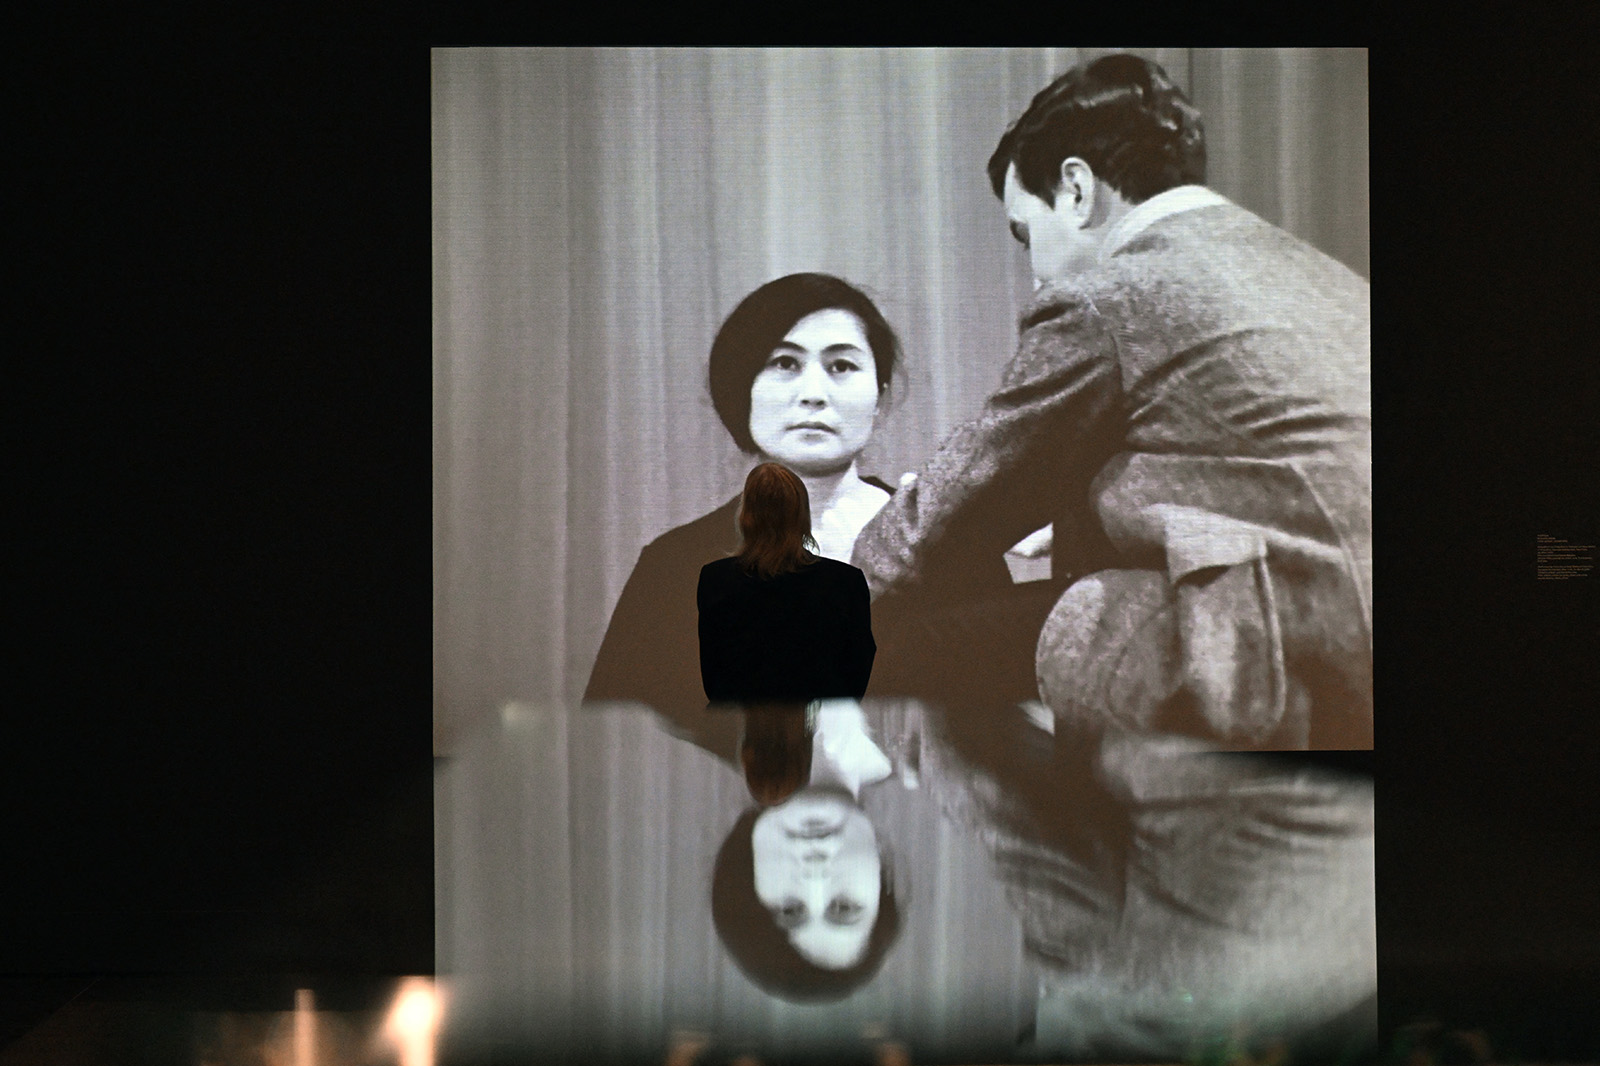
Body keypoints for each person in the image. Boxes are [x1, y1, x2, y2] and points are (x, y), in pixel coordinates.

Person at [851, 54, 1372, 749]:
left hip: (1275, 656)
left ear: (1075, 189)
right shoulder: (1320, 275)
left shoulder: (1113, 292)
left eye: (1025, 233)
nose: (1035, 271)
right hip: (1351, 634)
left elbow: (967, 494)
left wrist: (827, 593)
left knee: (896, 644)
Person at [588, 273, 1011, 719]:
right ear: (742, 390)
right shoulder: (674, 565)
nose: (813, 395)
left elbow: (1004, 724)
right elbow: (624, 744)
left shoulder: (946, 543)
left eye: (842, 367)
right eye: (784, 364)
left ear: (880, 400)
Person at [697, 462, 876, 705]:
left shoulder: (715, 578)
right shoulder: (845, 580)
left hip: (741, 723)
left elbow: (713, 665)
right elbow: (860, 658)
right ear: (802, 515)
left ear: (746, 515)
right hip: (823, 723)